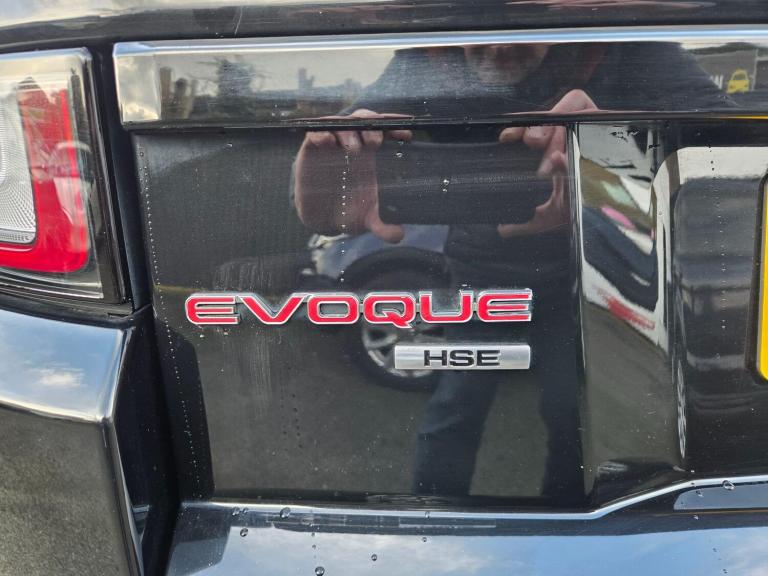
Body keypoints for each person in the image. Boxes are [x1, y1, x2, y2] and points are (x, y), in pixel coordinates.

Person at [292, 42, 730, 504]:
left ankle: (555, 523)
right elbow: (339, 150)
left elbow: (732, 141)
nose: (501, 43)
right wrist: (322, 179)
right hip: (486, 270)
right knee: (462, 406)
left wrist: (620, 142)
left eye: (525, 20)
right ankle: (436, 518)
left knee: (566, 413)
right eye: (479, 18)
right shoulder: (430, 57)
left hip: (582, 275)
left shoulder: (623, 48)